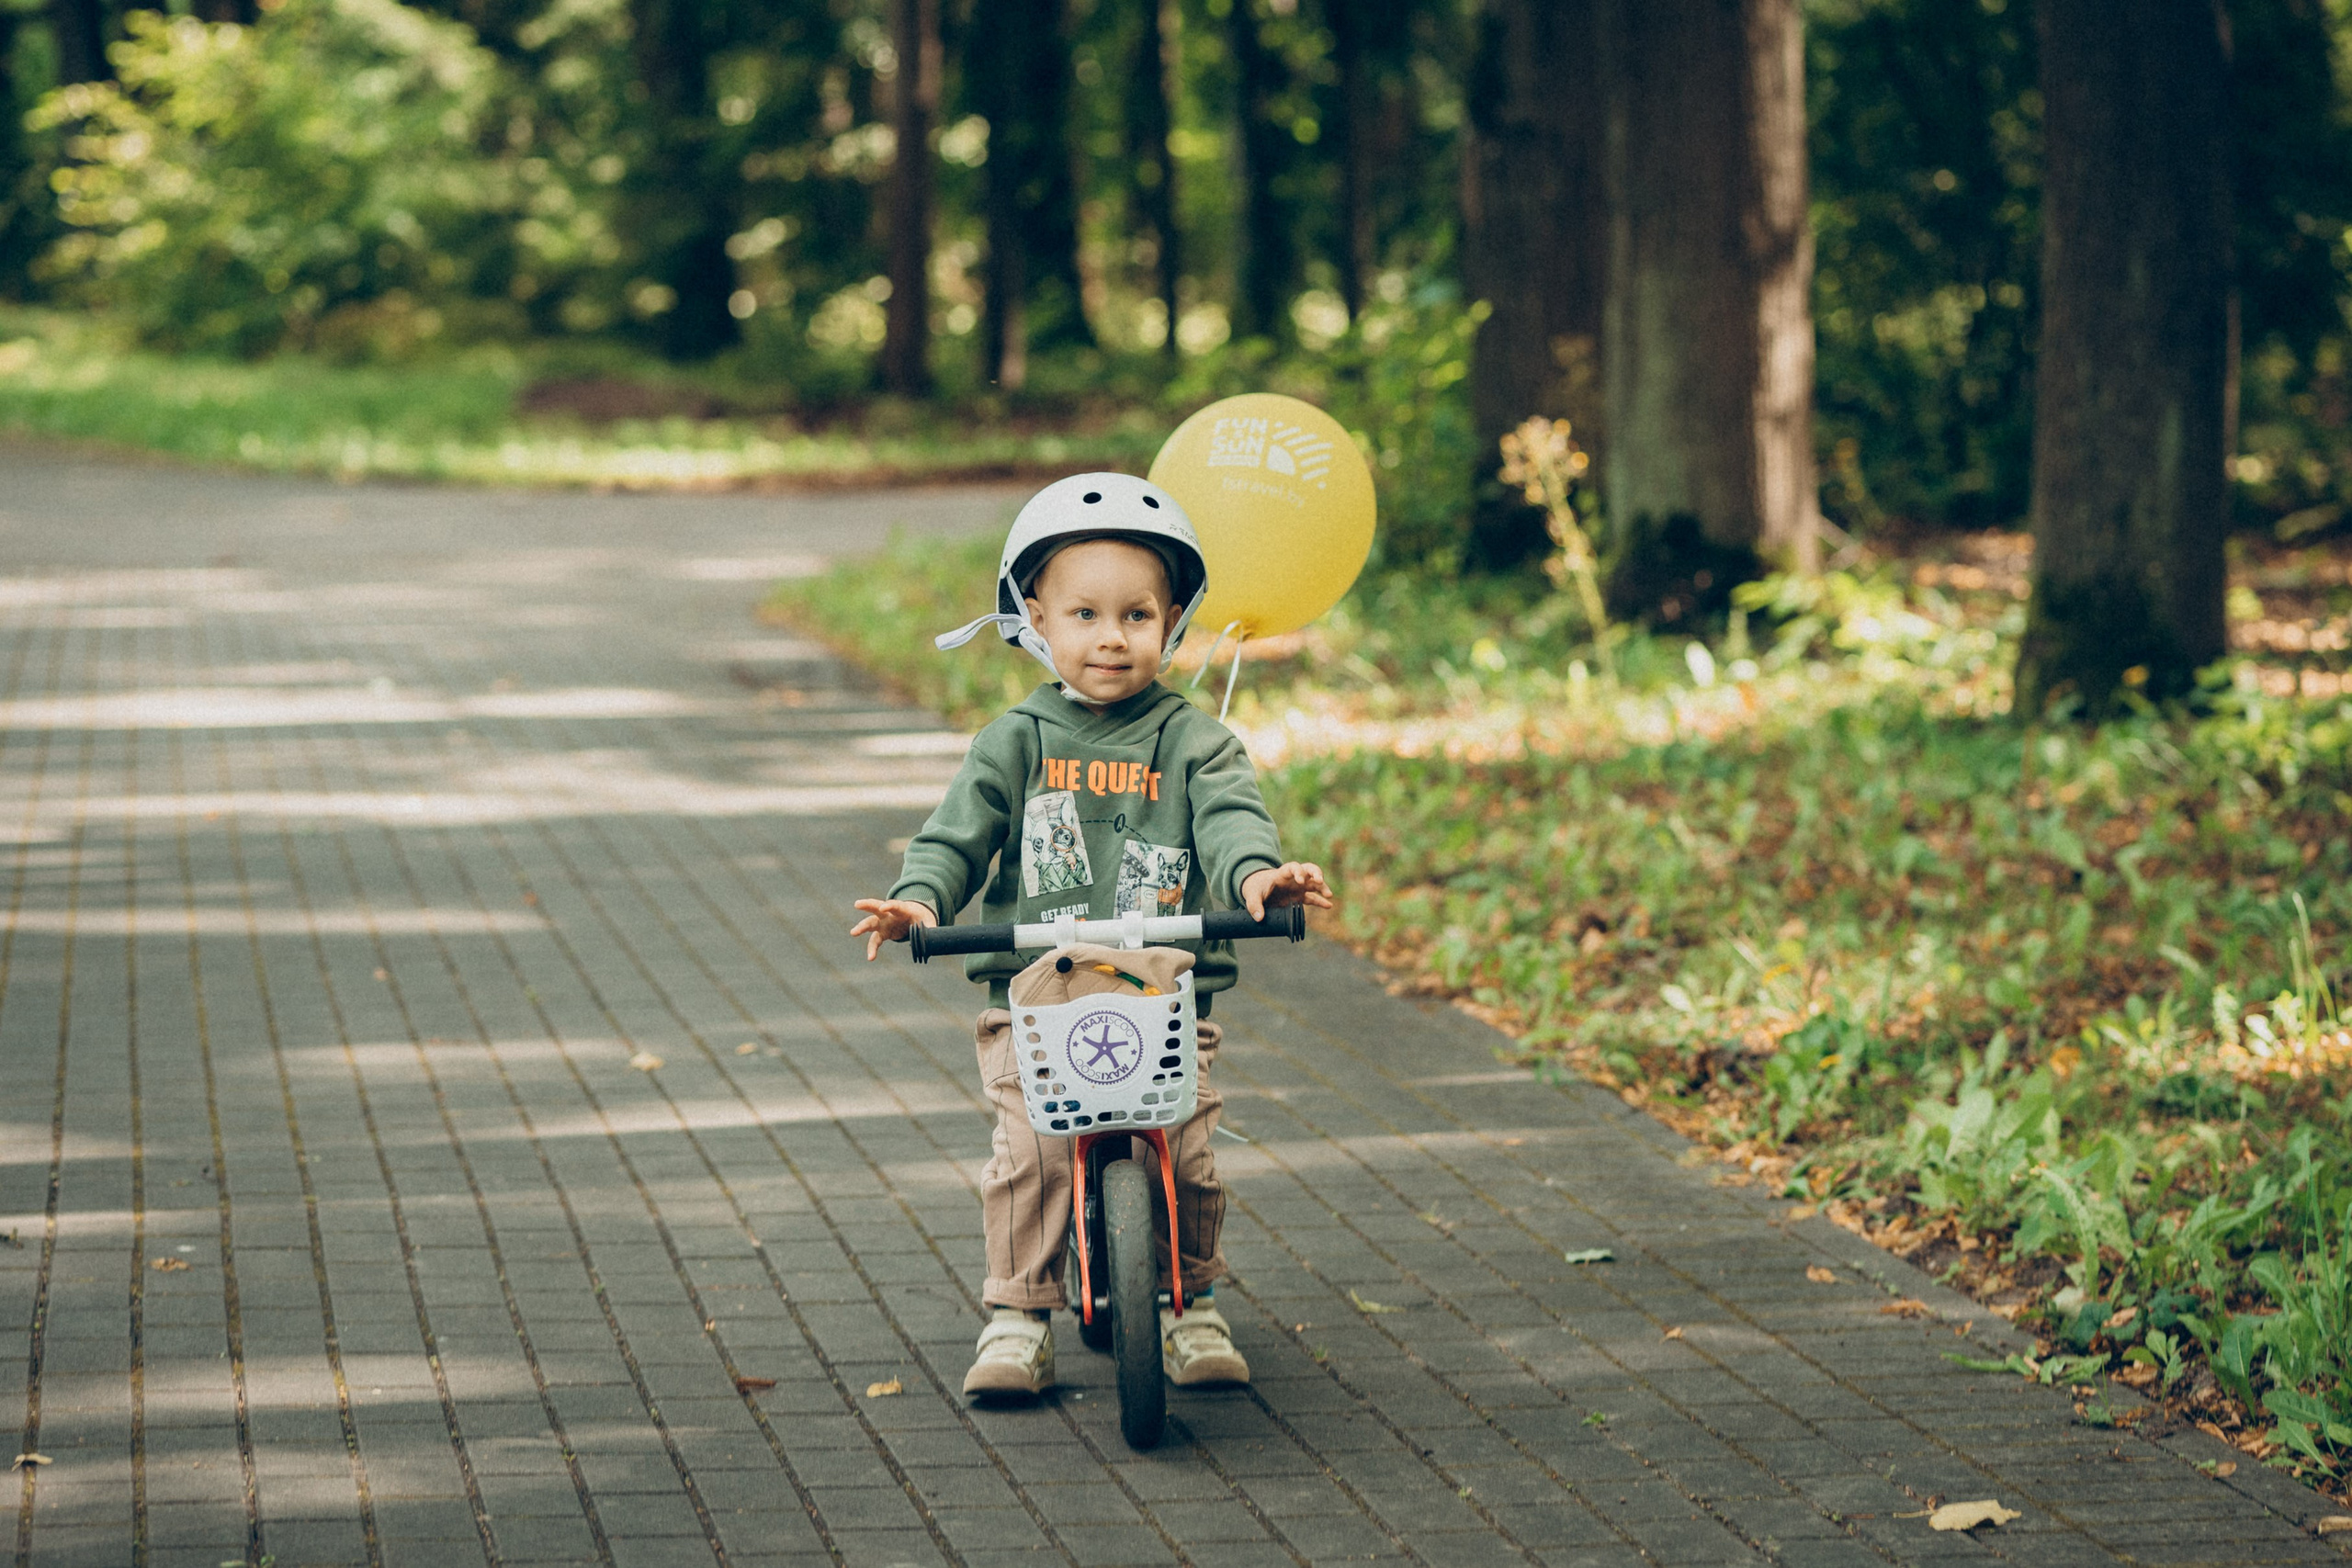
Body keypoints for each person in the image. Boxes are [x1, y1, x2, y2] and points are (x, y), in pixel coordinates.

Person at [851, 472, 1333, 1398]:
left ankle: (1190, 1304)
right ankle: (1017, 1317)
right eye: (1083, 613)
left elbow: (1232, 822)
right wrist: (920, 902)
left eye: (1137, 614)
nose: (1111, 636)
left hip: (1158, 993)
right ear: (1033, 617)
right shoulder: (1015, 740)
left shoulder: (1197, 742)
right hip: (1035, 999)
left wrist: (1258, 878)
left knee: (1184, 1146)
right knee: (1030, 1154)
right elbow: (957, 836)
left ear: (1174, 620)